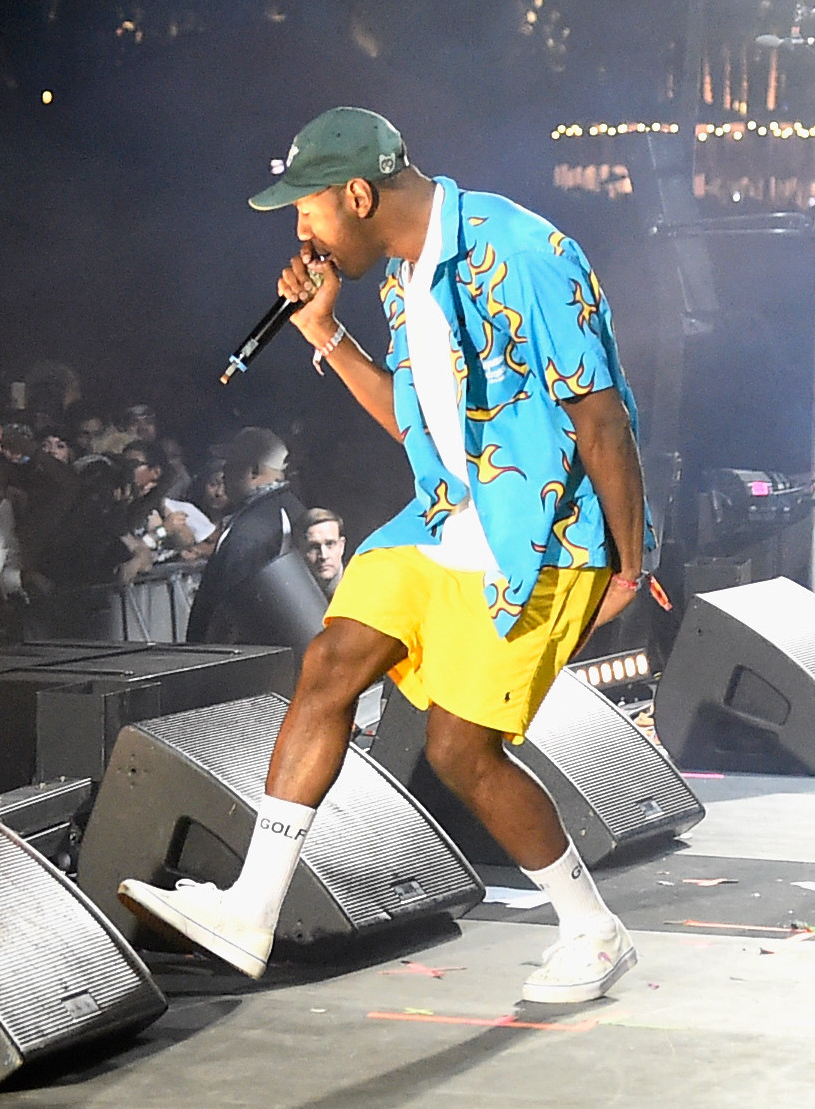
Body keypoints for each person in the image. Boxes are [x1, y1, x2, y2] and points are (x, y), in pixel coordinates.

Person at [119, 107, 655, 1005]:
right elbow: (416, 421)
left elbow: (601, 420)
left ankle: (593, 928)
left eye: (307, 212)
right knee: (330, 660)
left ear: (358, 194)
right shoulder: (405, 277)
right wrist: (325, 331)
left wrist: (630, 564)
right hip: (446, 517)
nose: (301, 234)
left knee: (459, 752)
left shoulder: (522, 250)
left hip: (542, 537)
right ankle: (252, 907)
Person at [184, 427, 309, 644]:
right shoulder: (292, 508)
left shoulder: (252, 528)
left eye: (230, 465)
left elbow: (229, 605)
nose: (224, 474)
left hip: (253, 657)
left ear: (253, 471)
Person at [301, 507, 348, 599]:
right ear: (301, 551)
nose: (323, 556)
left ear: (341, 546)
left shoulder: (365, 587)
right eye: (314, 547)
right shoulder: (298, 597)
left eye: (330, 544)